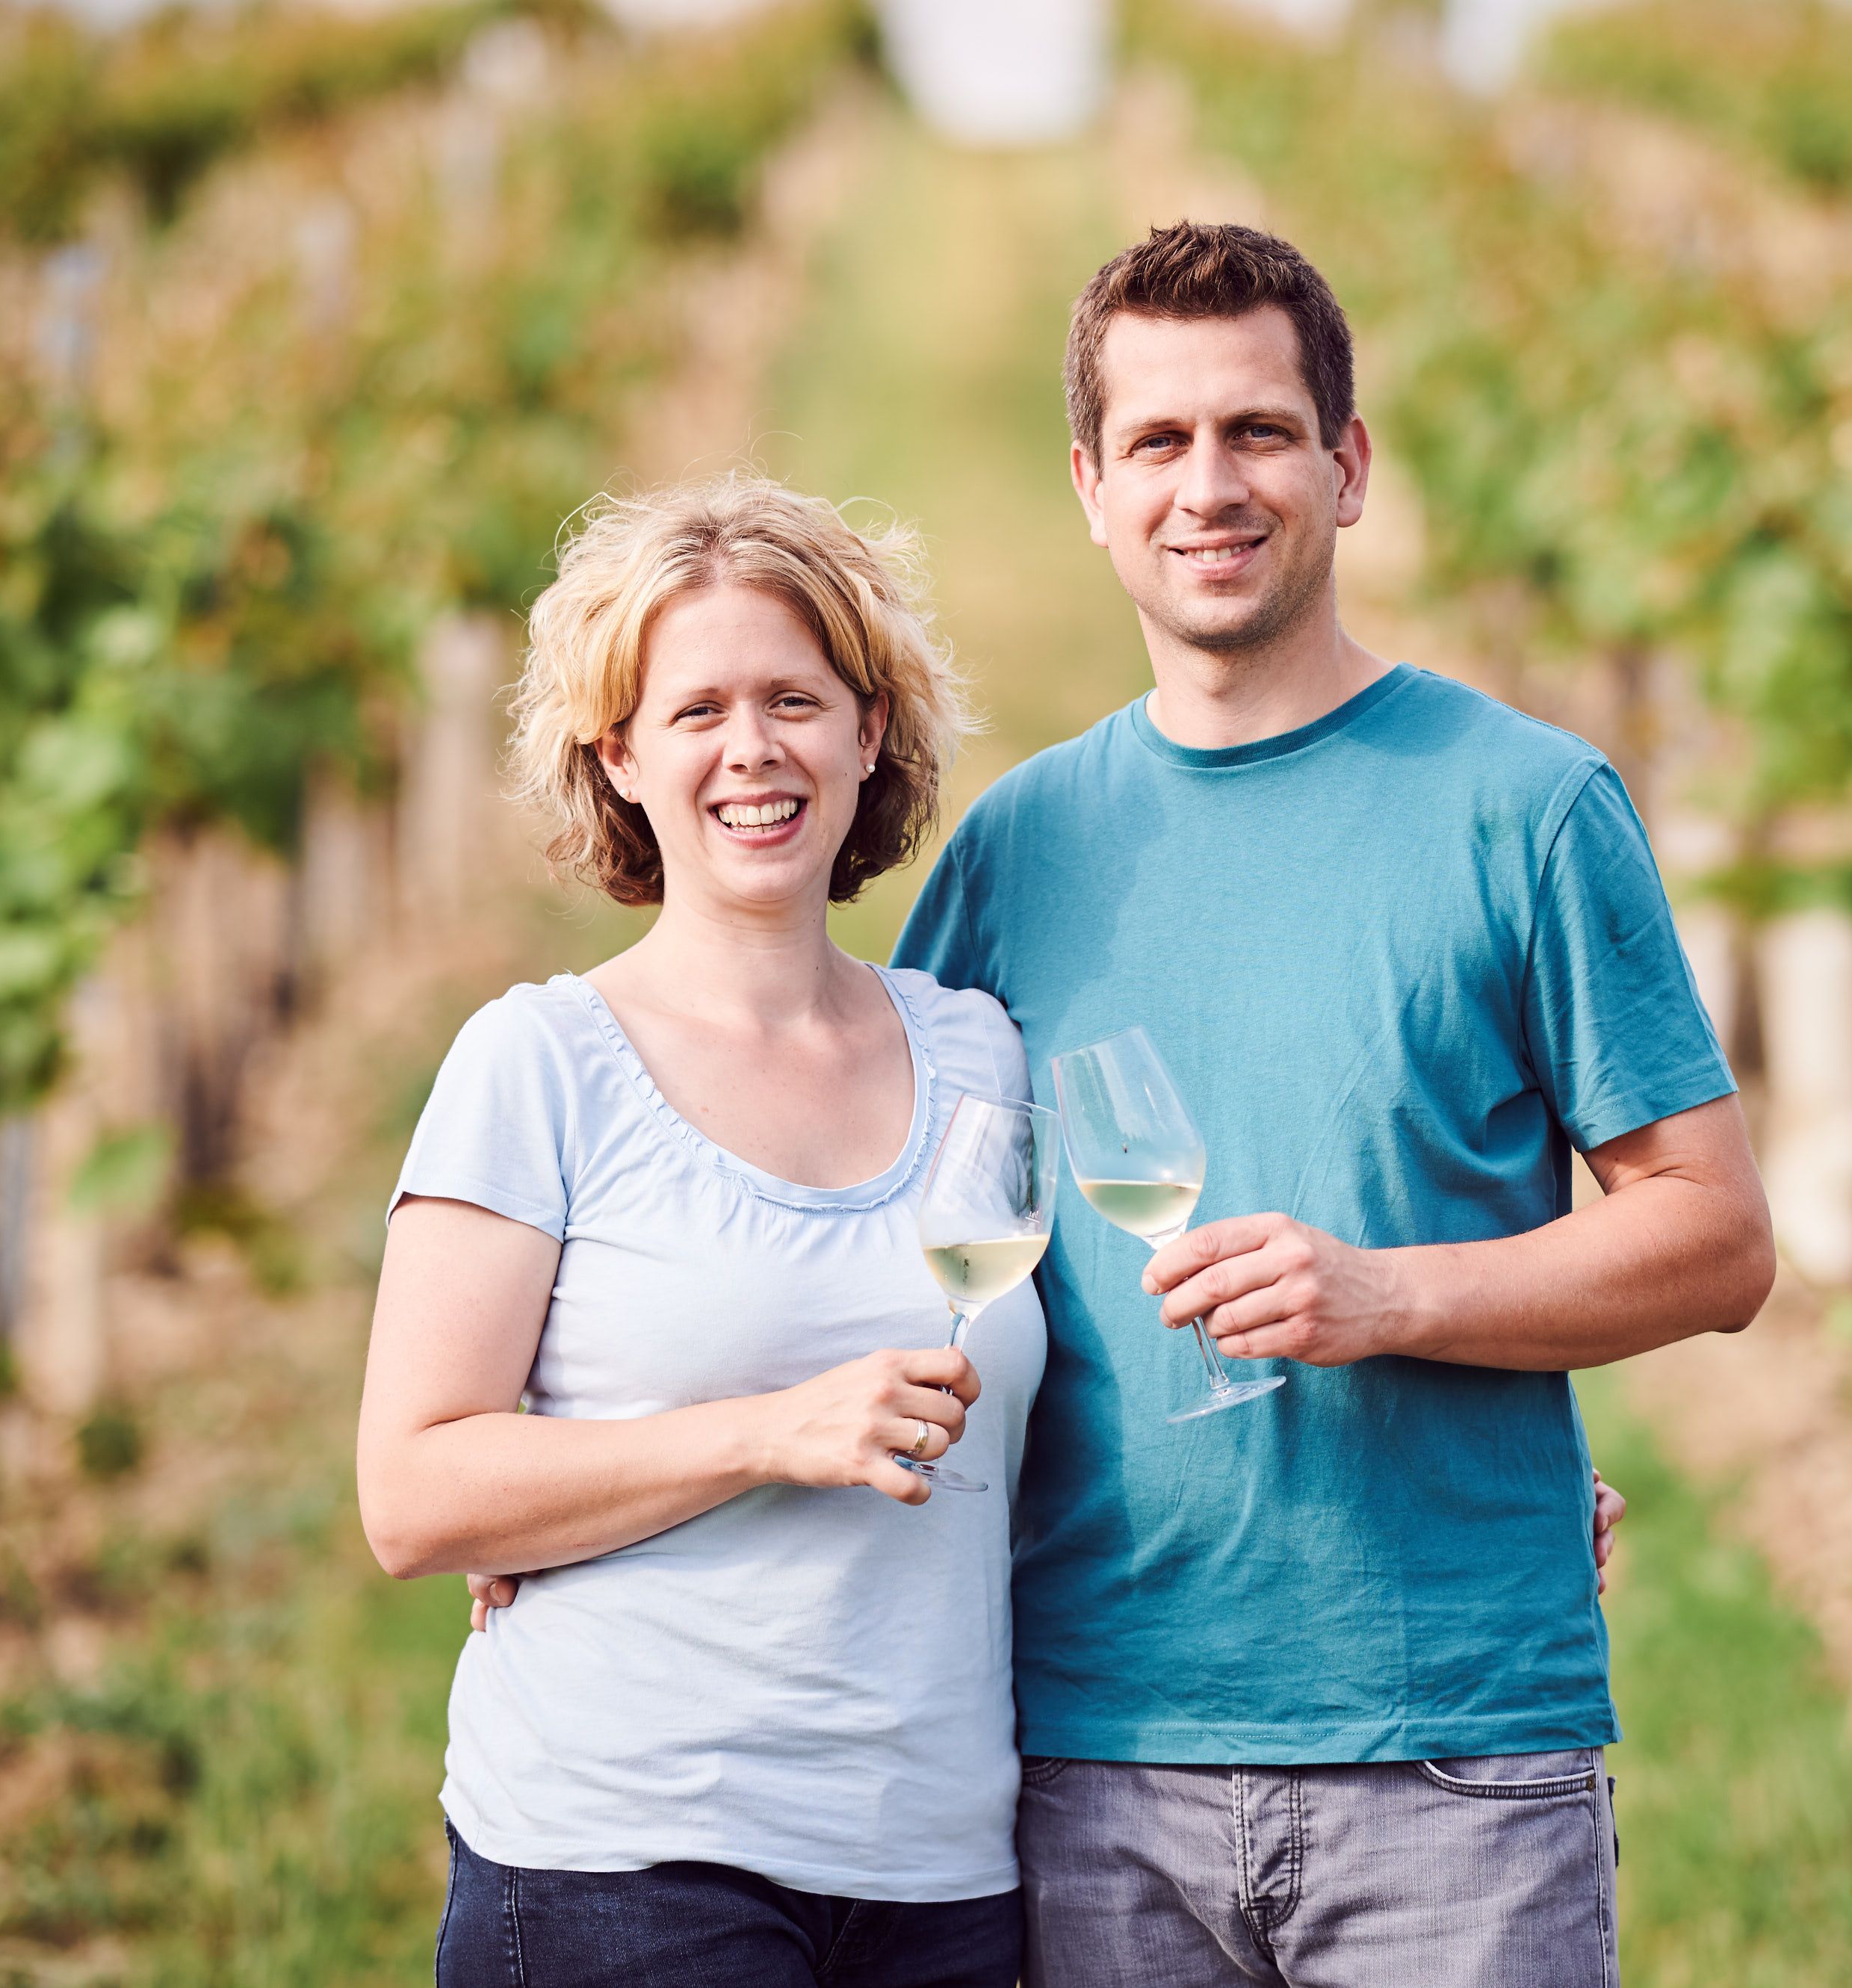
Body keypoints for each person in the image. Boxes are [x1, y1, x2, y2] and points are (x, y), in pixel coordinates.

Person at [888, 221, 1775, 1988]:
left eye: (1258, 432)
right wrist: (631, 1512)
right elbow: (886, 1242)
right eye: (1157, 440)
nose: (1207, 485)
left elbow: (1717, 1239)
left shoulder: (1525, 807)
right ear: (1090, 488)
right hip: (1092, 1756)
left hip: (1455, 1762)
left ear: (1347, 466)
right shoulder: (1014, 850)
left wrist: (1389, 1296)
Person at [355, 477, 1039, 1988]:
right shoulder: (540, 1061)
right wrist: (760, 1433)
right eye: (696, 710)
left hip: (941, 1873)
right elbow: (410, 1494)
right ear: (619, 753)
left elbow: (1065, 1420)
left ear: (870, 730)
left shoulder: (980, 1051)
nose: (753, 749)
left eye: (796, 698)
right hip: (628, 1867)